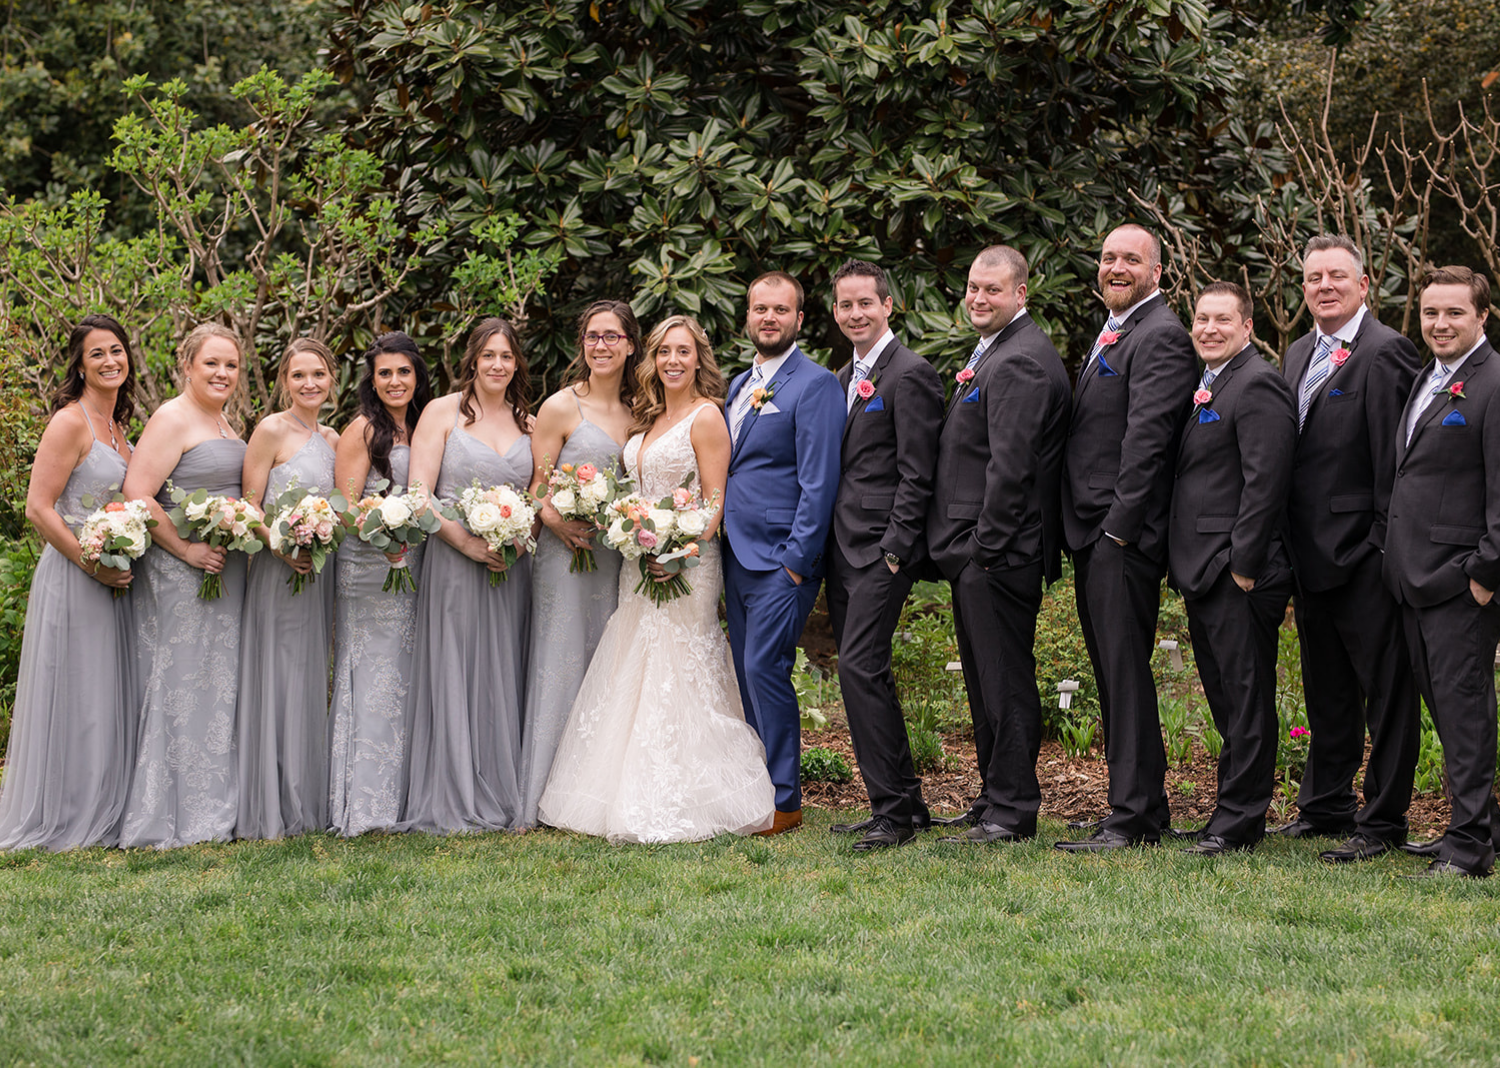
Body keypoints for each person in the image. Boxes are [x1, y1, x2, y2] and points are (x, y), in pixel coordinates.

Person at [538, 315, 775, 842]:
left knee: (681, 663)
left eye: (683, 352)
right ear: (652, 359)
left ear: (698, 360)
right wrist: (633, 533)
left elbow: (714, 503)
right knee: (638, 662)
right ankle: (626, 788)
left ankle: (699, 792)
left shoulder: (706, 417)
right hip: (637, 562)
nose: (673, 361)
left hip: (689, 565)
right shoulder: (644, 422)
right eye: (664, 351)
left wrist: (680, 551)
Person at [1279, 234, 1421, 863]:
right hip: (1310, 559)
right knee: (1326, 690)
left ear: (1364, 286)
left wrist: (1383, 549)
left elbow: (1399, 464)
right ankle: (1326, 806)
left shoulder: (1386, 353)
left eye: (1337, 275)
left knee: (1387, 694)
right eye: (1314, 278)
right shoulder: (1297, 352)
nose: (1324, 286)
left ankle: (1383, 820)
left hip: (1366, 557)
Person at [1056, 224, 1196, 852]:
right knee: (1114, 673)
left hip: (1120, 537)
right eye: (1109, 257)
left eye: (1130, 259)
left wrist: (1115, 529)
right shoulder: (1117, 330)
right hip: (1094, 532)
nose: (1116, 267)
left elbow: (1148, 442)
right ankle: (1140, 805)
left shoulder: (1162, 335)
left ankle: (1134, 814)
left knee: (1125, 671)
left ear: (1156, 272)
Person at [926, 245, 1071, 845]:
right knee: (987, 680)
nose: (978, 298)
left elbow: (1011, 468)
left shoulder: (1021, 362)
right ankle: (993, 798)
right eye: (972, 287)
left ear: (1021, 295)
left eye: (993, 289)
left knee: (1006, 680)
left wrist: (982, 546)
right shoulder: (998, 352)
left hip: (999, 554)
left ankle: (1013, 809)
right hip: (984, 552)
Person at [0, 315, 140, 851]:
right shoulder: (70, 422)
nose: (110, 361)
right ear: (80, 365)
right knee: (77, 690)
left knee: (102, 691)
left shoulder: (119, 428)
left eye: (117, 351)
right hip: (76, 571)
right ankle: (67, 814)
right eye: (98, 353)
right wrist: (91, 562)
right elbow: (38, 508)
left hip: (114, 573)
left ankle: (103, 804)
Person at [1168, 283, 1296, 856]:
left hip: (1235, 572)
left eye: (1223, 320)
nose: (1209, 329)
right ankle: (1231, 808)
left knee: (1246, 698)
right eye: (1201, 318)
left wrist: (1241, 564)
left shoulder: (1259, 383)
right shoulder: (1212, 382)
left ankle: (1241, 821)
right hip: (1202, 569)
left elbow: (1266, 481)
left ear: (1247, 327)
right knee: (1225, 696)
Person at [822, 259, 943, 851]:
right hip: (842, 549)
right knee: (869, 672)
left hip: (881, 550)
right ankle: (906, 803)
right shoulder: (842, 374)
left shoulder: (909, 374)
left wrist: (897, 549)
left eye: (864, 303)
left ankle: (891, 815)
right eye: (844, 305)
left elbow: (920, 473)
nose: (854, 314)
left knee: (859, 667)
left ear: (887, 306)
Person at [1383, 266, 1500, 878]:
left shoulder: (1493, 383)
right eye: (1431, 313)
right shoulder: (1430, 378)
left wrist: (1485, 572)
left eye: (1454, 313)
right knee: (1447, 710)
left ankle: (1469, 845)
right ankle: (1484, 824)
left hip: (1461, 583)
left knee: (1465, 711)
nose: (1440, 324)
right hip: (1414, 579)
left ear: (1482, 315)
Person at [722, 272, 845, 835]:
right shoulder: (737, 384)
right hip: (735, 557)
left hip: (781, 561)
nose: (768, 318)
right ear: (748, 317)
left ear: (799, 319)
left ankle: (785, 799)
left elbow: (819, 482)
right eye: (760, 309)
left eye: (781, 310)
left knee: (763, 669)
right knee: (745, 675)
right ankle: (754, 787)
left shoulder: (814, 384)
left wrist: (798, 560)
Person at [401, 317, 534, 833]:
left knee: (503, 666)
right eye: (488, 356)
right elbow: (418, 494)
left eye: (506, 356)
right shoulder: (441, 412)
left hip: (511, 567)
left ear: (516, 362)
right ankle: (454, 787)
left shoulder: (529, 418)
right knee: (456, 665)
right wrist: (466, 542)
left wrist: (517, 538)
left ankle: (501, 784)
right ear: (473, 361)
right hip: (455, 562)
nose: (497, 365)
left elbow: (537, 495)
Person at [119, 323, 249, 848]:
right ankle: (171, 813)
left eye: (231, 365)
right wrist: (188, 549)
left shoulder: (223, 421)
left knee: (215, 685)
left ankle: (213, 804)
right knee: (183, 682)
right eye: (211, 364)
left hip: (221, 572)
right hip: (182, 573)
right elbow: (139, 494)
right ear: (187, 365)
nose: (222, 373)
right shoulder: (172, 417)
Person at [518, 301, 640, 829]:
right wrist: (558, 520)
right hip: (562, 558)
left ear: (631, 345)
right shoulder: (560, 407)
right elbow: (537, 490)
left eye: (613, 337)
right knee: (561, 659)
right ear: (582, 344)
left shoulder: (642, 409)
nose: (602, 346)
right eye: (593, 336)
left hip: (618, 558)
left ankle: (593, 791)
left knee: (606, 661)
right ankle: (543, 791)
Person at [234, 338, 342, 840]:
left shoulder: (336, 438)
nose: (309, 384)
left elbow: (340, 504)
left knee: (307, 675)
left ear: (331, 378)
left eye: (318, 374)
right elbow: (249, 504)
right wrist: (278, 545)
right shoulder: (270, 430)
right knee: (276, 675)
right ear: (284, 380)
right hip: (278, 572)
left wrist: (322, 534)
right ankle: (271, 799)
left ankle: (304, 796)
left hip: (317, 572)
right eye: (299, 375)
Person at [328, 332, 434, 836]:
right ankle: (365, 803)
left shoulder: (423, 426)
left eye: (404, 372)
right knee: (371, 679)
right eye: (385, 373)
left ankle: (403, 795)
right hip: (369, 571)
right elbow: (345, 505)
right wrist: (381, 535)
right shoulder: (362, 430)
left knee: (406, 678)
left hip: (414, 567)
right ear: (372, 380)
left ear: (417, 376)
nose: (395, 381)